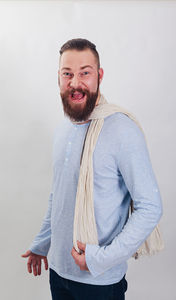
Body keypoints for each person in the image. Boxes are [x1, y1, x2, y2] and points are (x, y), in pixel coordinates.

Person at [21, 38, 163, 300]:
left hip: (99, 282)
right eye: (67, 74)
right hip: (59, 274)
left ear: (99, 75)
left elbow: (150, 206)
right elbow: (60, 194)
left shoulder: (121, 130)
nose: (75, 83)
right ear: (59, 78)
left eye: (85, 73)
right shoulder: (64, 127)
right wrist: (42, 243)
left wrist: (100, 258)